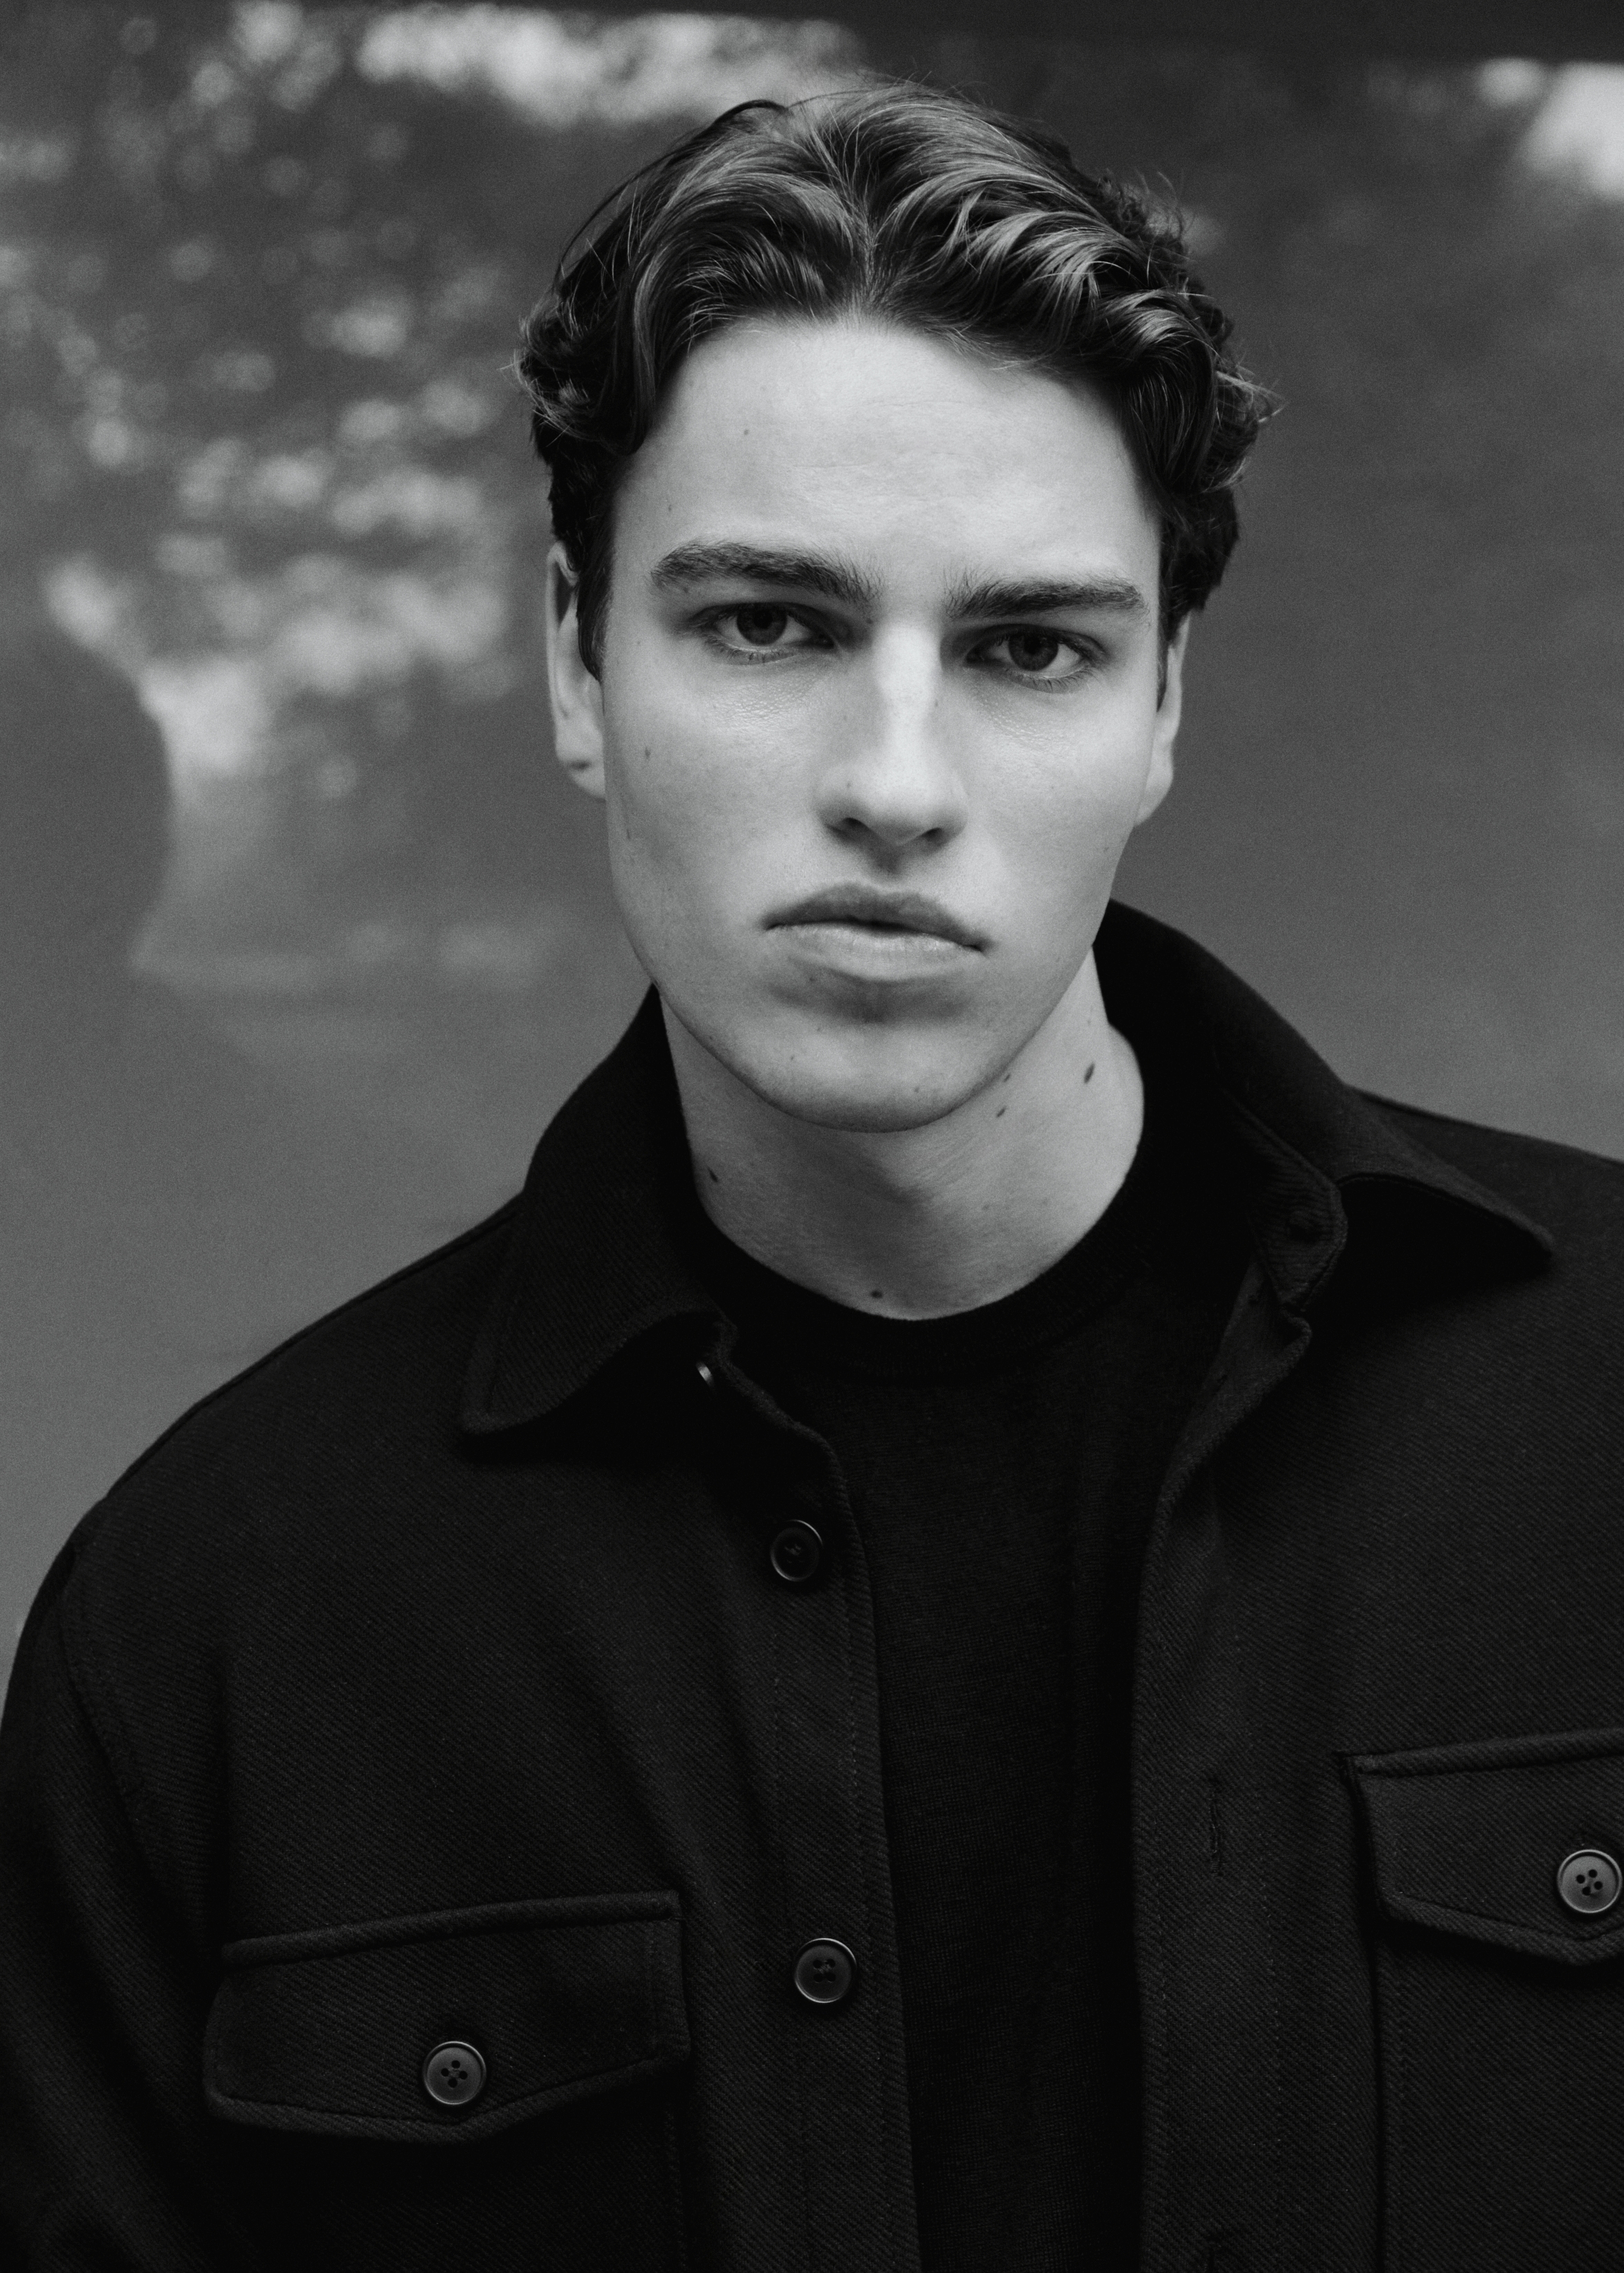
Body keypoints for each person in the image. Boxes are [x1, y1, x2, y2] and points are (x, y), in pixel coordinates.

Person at [2, 82, 1621, 2273]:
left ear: (1162, 708)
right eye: (769, 622)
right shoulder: (214, 1624)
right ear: (576, 657)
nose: (894, 782)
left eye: (1028, 647)